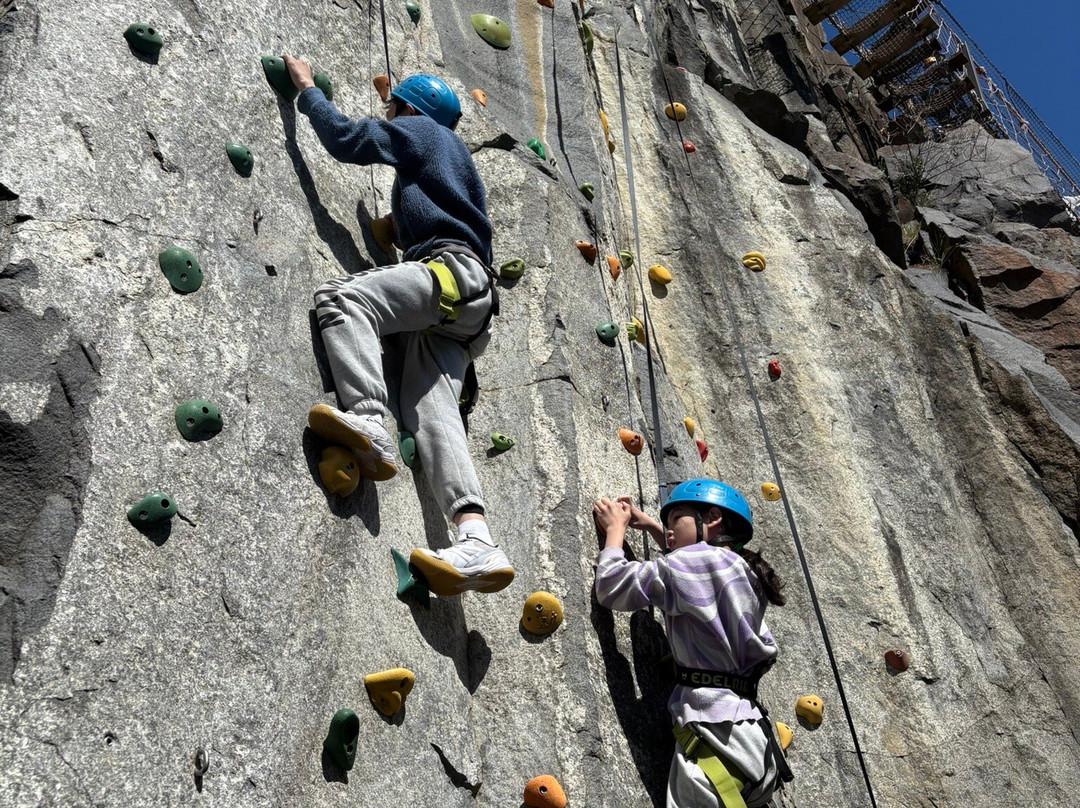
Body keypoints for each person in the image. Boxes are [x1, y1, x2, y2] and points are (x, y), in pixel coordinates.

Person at [283, 56, 513, 596]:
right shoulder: (451, 156)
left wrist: (308, 89)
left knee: (343, 299)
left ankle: (366, 417)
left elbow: (346, 139)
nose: (388, 114)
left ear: (410, 109)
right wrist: (396, 228)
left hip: (449, 276)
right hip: (470, 309)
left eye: (393, 108)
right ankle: (476, 538)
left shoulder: (421, 129)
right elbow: (441, 210)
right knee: (434, 415)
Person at [592, 479, 792, 808]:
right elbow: (692, 576)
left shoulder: (691, 564)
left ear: (712, 519)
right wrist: (657, 528)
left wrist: (616, 531)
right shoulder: (744, 570)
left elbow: (612, 586)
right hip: (754, 742)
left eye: (677, 518)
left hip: (715, 737)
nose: (670, 530)